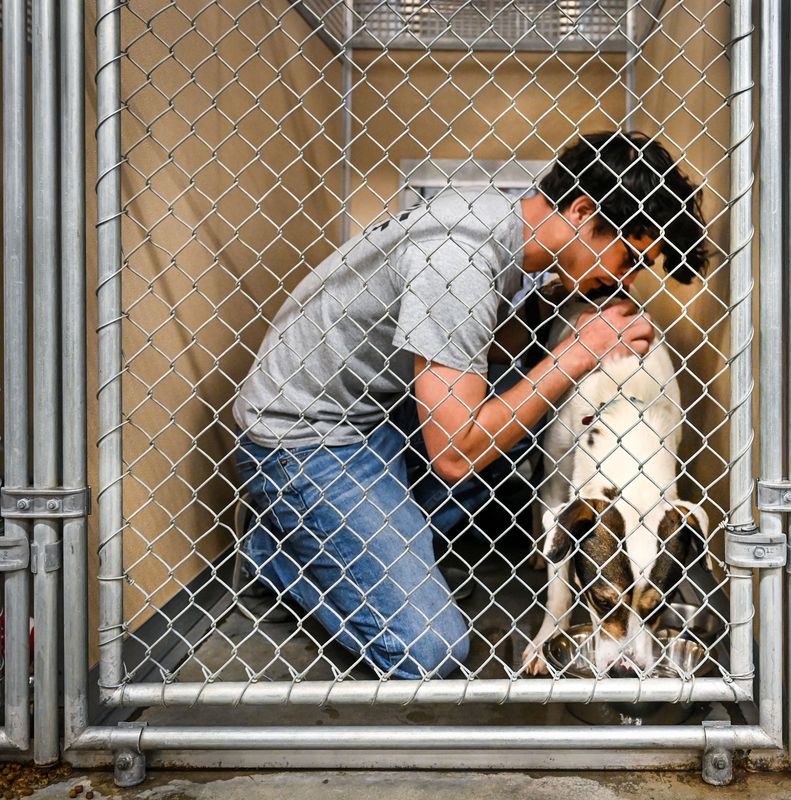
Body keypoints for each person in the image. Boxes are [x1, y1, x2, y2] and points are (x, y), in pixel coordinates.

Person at [232, 131, 708, 679]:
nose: (622, 282)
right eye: (628, 258)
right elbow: (455, 455)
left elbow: (477, 354)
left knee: (535, 404)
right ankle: (279, 547)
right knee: (428, 650)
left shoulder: (505, 226)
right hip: (308, 438)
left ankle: (374, 536)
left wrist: (556, 328)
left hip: (381, 409)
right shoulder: (457, 259)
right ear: (581, 210)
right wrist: (579, 352)